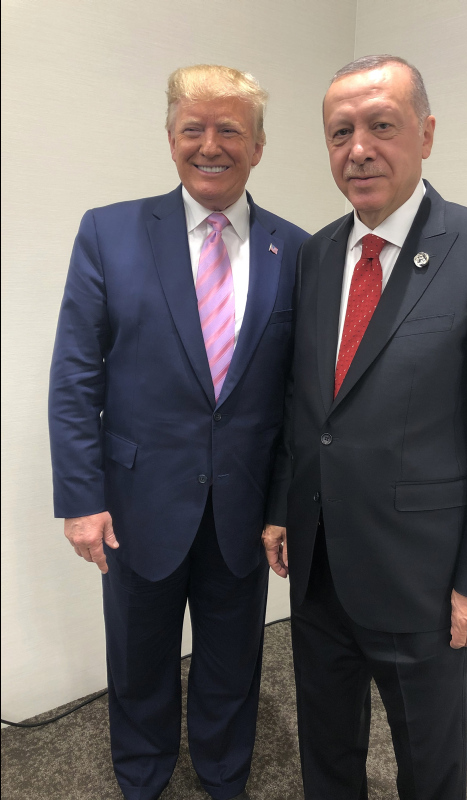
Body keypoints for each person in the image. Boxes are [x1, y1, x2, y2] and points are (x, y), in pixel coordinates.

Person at [263, 55, 467, 800]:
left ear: (426, 133)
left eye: (381, 126)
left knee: (428, 761)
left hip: (423, 580)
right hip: (318, 565)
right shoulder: (317, 254)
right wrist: (282, 506)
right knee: (326, 745)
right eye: (340, 132)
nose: (359, 149)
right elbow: (304, 403)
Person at [49, 64, 308, 800]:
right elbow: (75, 375)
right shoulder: (109, 232)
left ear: (258, 145)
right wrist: (81, 499)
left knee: (233, 660)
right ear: (170, 138)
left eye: (230, 129)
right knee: (139, 659)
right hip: (137, 502)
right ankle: (142, 776)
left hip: (244, 510)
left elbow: (300, 400)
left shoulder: (297, 250)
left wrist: (284, 504)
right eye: (193, 128)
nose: (210, 145)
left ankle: (224, 777)